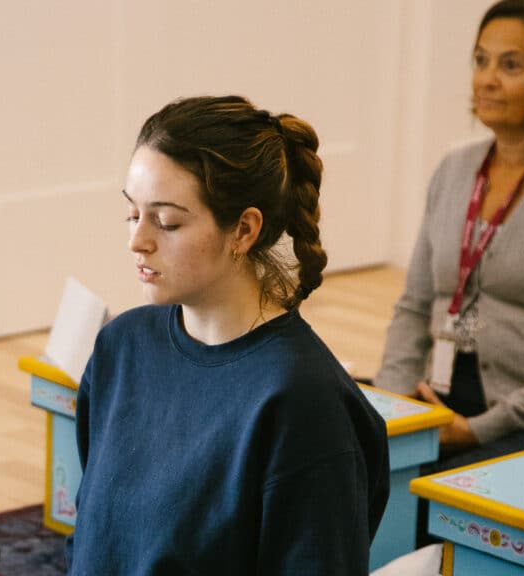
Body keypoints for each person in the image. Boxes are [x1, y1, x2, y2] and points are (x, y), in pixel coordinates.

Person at [67, 96, 390, 574]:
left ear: (243, 230)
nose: (137, 240)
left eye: (168, 221)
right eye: (133, 214)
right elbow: (94, 537)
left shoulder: (302, 402)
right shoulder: (122, 346)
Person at [376, 0, 524, 473]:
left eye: (510, 65)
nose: (486, 79)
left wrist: (477, 430)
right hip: (447, 396)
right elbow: (414, 305)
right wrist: (389, 407)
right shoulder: (454, 170)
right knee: (340, 450)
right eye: (481, 60)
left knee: (434, 493)